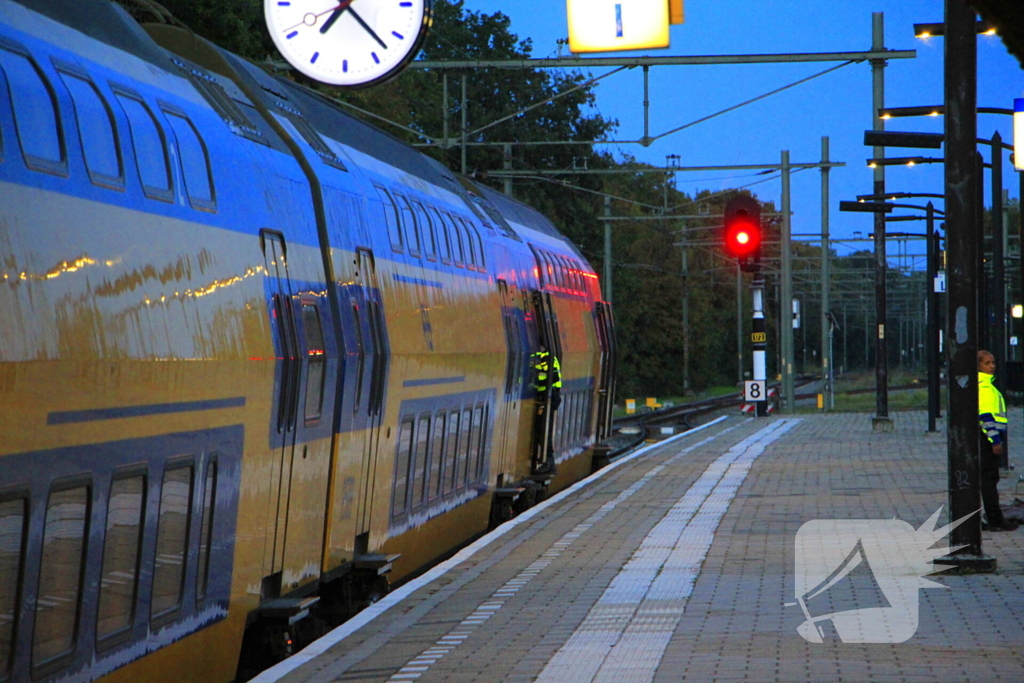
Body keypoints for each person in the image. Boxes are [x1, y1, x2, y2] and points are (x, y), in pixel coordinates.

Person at [977, 350, 1018, 531]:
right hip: (988, 440)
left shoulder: (984, 385)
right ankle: (995, 519)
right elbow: (985, 416)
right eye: (987, 363)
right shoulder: (985, 388)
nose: (992, 366)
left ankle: (985, 519)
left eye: (993, 362)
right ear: (978, 366)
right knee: (989, 480)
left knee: (985, 479)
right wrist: (995, 440)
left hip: (986, 439)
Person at [532, 343, 561, 473]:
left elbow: (550, 378)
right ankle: (547, 460)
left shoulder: (548, 358)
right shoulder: (541, 357)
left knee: (543, 430)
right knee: (541, 430)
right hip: (546, 398)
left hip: (548, 398)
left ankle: (549, 461)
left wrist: (533, 379)